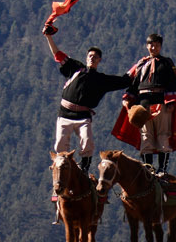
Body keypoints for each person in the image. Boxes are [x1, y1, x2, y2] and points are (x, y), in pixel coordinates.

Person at [42, 28, 130, 171]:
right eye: (90, 55)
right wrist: (48, 37)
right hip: (65, 114)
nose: (92, 58)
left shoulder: (102, 79)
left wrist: (139, 66)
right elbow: (58, 55)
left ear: (99, 60)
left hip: (83, 117)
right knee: (60, 144)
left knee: (87, 142)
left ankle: (84, 170)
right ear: (86, 57)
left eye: (95, 57)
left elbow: (125, 80)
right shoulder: (76, 68)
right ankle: (61, 172)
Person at [111, 32, 176, 172]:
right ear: (147, 46)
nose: (154, 47)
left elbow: (173, 83)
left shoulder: (166, 63)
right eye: (151, 45)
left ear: (161, 47)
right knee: (146, 137)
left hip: (162, 104)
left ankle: (162, 169)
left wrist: (170, 101)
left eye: (157, 45)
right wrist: (127, 98)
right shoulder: (141, 64)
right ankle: (149, 169)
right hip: (143, 106)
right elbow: (134, 84)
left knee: (163, 135)